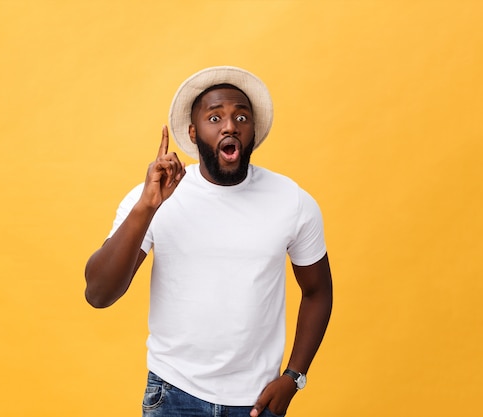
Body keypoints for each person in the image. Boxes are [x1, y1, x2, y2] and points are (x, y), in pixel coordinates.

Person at [85, 66, 333, 417]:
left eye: (241, 117)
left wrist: (294, 377)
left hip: (257, 402)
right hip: (173, 395)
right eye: (214, 117)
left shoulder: (292, 201)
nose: (229, 126)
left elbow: (318, 291)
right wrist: (147, 207)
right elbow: (98, 293)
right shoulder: (154, 197)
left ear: (252, 131)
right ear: (193, 131)